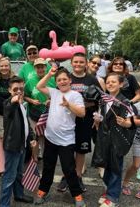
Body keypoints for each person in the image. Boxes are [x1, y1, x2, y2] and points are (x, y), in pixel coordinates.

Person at [33, 67, 86, 206]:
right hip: (50, 137)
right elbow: (39, 86)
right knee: (48, 166)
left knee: (68, 169)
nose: (62, 82)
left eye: (64, 79)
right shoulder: (54, 92)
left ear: (70, 80)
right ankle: (42, 190)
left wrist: (68, 105)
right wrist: (49, 74)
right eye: (59, 80)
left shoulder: (75, 95)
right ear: (56, 83)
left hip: (67, 140)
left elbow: (81, 113)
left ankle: (77, 195)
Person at [56, 53, 103, 192]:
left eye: (81, 62)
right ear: (71, 62)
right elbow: (58, 95)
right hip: (67, 119)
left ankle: (78, 176)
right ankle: (66, 176)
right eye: (75, 62)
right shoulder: (66, 77)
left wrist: (95, 115)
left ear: (86, 63)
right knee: (67, 149)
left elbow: (98, 100)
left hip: (84, 120)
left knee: (81, 150)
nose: (78, 64)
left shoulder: (92, 79)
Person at [93, 73, 139, 207]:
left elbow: (133, 123)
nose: (110, 84)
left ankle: (113, 197)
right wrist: (98, 119)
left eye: (114, 82)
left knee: (115, 167)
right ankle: (109, 190)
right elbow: (103, 118)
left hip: (117, 140)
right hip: (104, 138)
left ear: (121, 84)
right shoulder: (103, 100)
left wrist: (125, 123)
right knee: (105, 164)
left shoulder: (125, 103)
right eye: (108, 82)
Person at [0, 76, 37, 206]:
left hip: (22, 145)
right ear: (9, 90)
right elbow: (9, 108)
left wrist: (31, 137)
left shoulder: (22, 104)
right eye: (15, 89)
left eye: (21, 89)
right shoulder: (8, 103)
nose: (19, 91)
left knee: (19, 173)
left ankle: (19, 195)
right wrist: (14, 101)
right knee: (9, 177)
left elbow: (25, 123)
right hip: (12, 146)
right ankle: (4, 204)